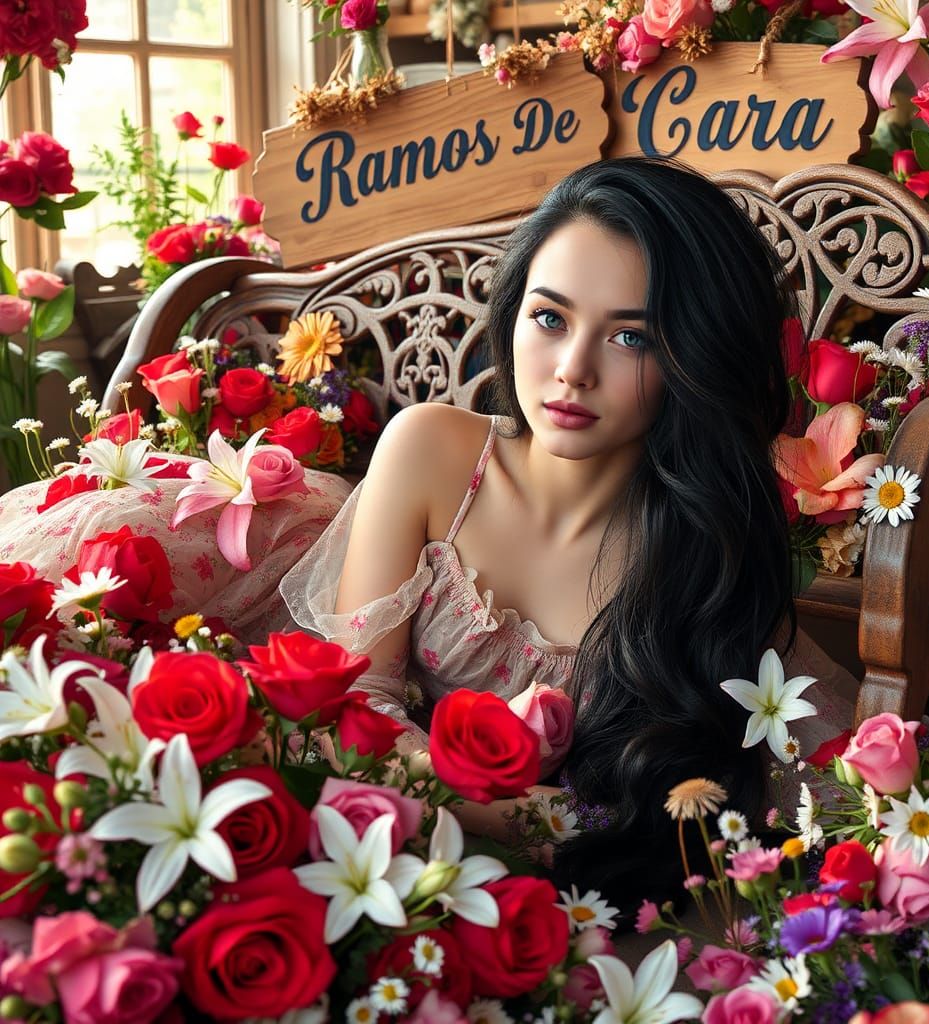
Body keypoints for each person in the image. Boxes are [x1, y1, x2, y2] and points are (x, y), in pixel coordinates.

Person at [281, 156, 857, 910]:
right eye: (550, 318)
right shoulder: (432, 453)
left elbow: (811, 795)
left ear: (695, 357)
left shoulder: (699, 553)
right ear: (512, 312)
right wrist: (533, 823)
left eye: (632, 339)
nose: (572, 371)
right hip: (392, 838)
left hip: (565, 892)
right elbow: (350, 716)